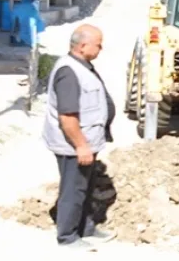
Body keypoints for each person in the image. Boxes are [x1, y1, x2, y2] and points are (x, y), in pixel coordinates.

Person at [42, 24, 116, 250]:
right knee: (73, 190)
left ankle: (86, 228)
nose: (101, 48)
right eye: (98, 44)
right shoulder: (69, 72)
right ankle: (67, 236)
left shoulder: (82, 66)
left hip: (87, 142)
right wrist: (81, 146)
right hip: (74, 145)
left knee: (84, 188)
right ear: (83, 46)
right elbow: (67, 116)